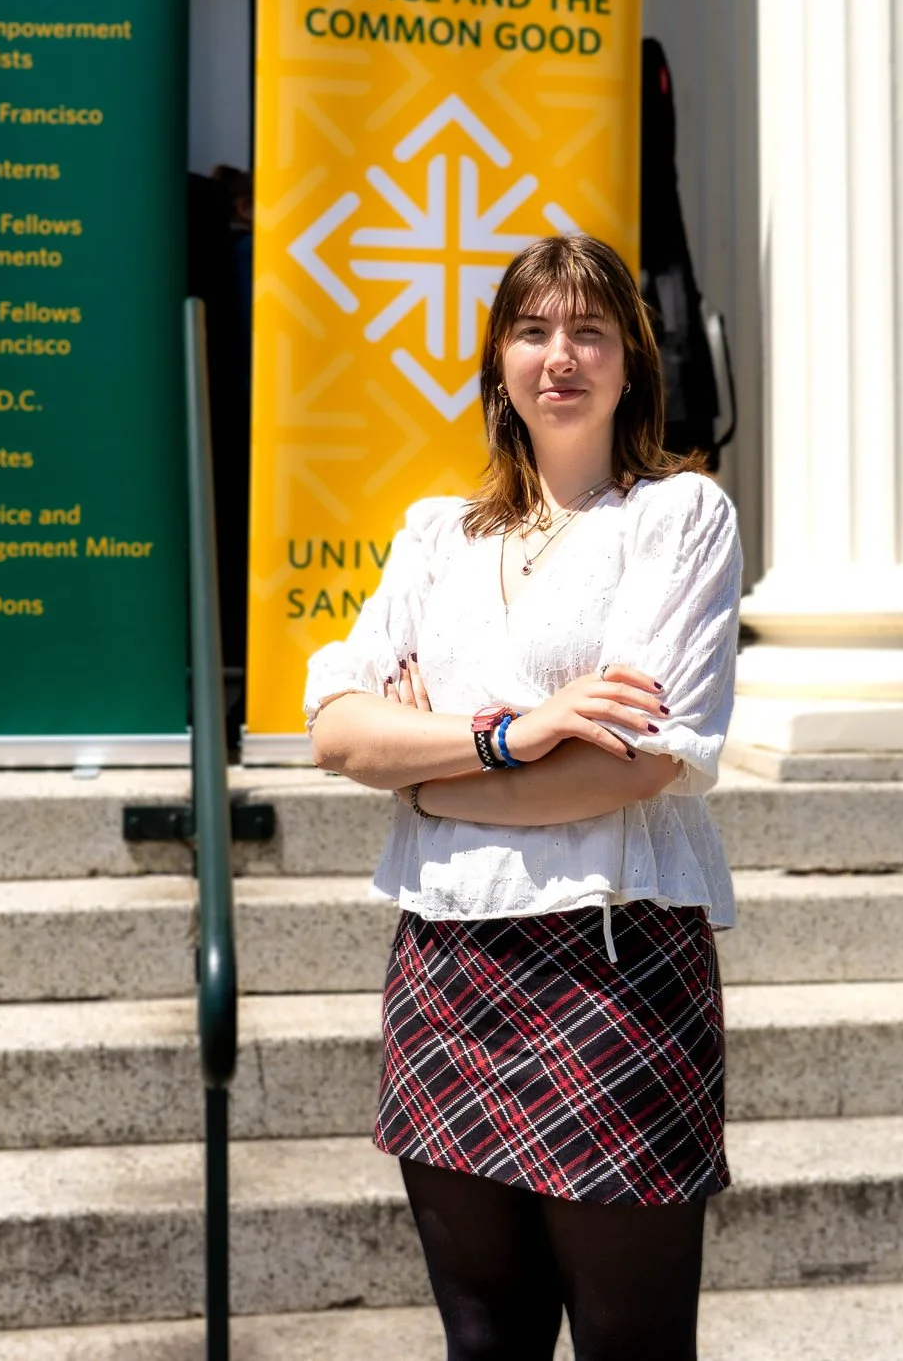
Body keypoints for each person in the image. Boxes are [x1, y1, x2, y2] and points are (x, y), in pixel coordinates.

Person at [305, 233, 743, 1361]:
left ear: (632, 362)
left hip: (612, 964)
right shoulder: (433, 534)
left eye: (590, 330)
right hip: (447, 965)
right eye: (533, 328)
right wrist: (517, 733)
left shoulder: (675, 518)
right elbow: (338, 731)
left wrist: (433, 772)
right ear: (497, 357)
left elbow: (638, 760)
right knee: (483, 1340)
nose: (561, 355)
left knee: (629, 1343)